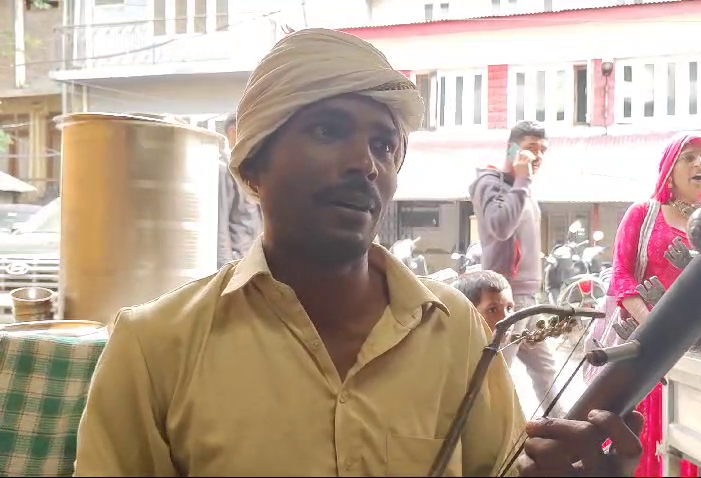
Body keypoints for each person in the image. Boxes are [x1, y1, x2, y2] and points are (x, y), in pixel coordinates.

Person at [73, 28, 644, 477]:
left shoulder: (458, 336)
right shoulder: (155, 349)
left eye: (383, 144)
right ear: (253, 163)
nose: (364, 163)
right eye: (327, 130)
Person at [602, 131, 701, 478]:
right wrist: (654, 327)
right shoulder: (644, 214)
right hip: (646, 351)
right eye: (689, 157)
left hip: (700, 353)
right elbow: (622, 276)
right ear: (669, 169)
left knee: (694, 444)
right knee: (646, 439)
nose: (700, 164)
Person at [469, 120, 563, 417]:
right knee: (497, 373)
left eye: (543, 150)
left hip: (529, 297)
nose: (537, 157)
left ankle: (561, 430)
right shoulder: (490, 183)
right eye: (531, 148)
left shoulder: (525, 189)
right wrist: (522, 181)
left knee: (545, 369)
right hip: (504, 298)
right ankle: (491, 435)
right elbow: (500, 226)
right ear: (512, 148)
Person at [218, 113, 263, 268]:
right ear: (233, 132)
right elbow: (220, 224)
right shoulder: (224, 170)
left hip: (251, 259)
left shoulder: (251, 167)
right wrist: (226, 268)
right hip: (236, 262)